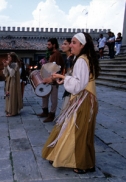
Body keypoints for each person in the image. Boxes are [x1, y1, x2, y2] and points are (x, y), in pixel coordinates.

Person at [42, 32, 100, 174]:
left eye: (74, 42)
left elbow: (78, 84)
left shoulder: (81, 60)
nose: (71, 45)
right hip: (84, 99)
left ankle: (83, 164)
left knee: (78, 132)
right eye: (71, 42)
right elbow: (80, 80)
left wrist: (61, 76)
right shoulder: (85, 58)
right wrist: (65, 79)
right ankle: (62, 156)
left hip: (83, 100)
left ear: (82, 45)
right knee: (72, 129)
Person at [36, 38, 64, 123]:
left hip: (54, 79)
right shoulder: (51, 54)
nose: (47, 46)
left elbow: (59, 67)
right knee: (45, 95)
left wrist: (55, 78)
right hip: (47, 78)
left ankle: (52, 114)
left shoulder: (57, 54)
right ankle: (45, 112)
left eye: (49, 45)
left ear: (54, 45)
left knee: (53, 98)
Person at [2, 52, 23, 117]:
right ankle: (8, 110)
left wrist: (8, 65)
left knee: (12, 96)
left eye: (9, 57)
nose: (8, 58)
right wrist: (5, 66)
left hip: (13, 83)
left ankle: (13, 111)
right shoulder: (10, 64)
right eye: (8, 57)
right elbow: (5, 74)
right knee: (8, 96)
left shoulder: (15, 64)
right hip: (8, 82)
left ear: (12, 58)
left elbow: (12, 73)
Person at [60, 38, 74, 111]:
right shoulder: (68, 58)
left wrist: (61, 77)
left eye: (65, 44)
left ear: (70, 46)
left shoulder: (71, 59)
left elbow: (70, 74)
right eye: (62, 44)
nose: (62, 46)